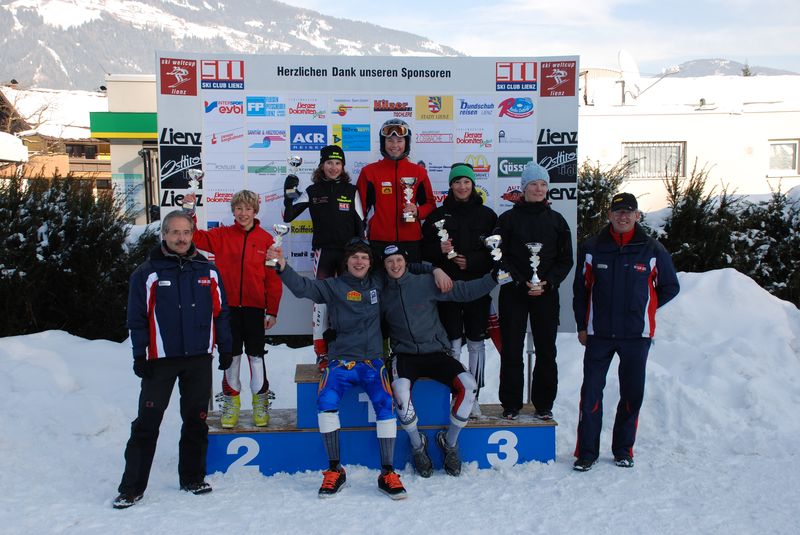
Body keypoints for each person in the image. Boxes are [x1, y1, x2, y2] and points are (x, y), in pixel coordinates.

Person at [266, 239, 407, 499]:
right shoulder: (333, 286)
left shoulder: (378, 281)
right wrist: (282, 265)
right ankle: (334, 470)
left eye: (364, 257)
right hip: (341, 362)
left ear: (370, 263)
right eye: (354, 257)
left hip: (372, 362)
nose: (359, 261)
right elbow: (302, 288)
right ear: (346, 261)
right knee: (325, 401)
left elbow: (405, 266)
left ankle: (387, 472)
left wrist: (437, 270)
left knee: (385, 403)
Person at [113, 210, 232, 509]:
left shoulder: (208, 271)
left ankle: (192, 478)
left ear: (193, 235)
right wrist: (139, 354)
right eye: (175, 232)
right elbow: (136, 318)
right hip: (160, 361)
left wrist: (226, 348)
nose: (181, 238)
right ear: (164, 235)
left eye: (186, 232)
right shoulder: (147, 272)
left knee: (196, 420)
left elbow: (221, 313)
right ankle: (131, 488)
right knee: (147, 423)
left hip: (198, 359)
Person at [572, 193, 680, 471]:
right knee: (591, 393)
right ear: (609, 215)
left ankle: (623, 450)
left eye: (628, 212)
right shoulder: (592, 247)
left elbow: (670, 286)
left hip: (636, 336)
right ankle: (587, 453)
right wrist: (582, 325)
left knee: (632, 394)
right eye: (618, 211)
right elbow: (580, 290)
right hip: (599, 334)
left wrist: (644, 307)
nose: (623, 216)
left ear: (637, 216)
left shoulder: (652, 249)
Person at [381, 243, 498, 477]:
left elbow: (464, 291)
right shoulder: (380, 291)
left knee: (469, 386)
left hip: (436, 353)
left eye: (399, 260)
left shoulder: (424, 283)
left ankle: (449, 443)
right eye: (389, 262)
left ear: (406, 263)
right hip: (405, 356)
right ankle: (418, 445)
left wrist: (493, 278)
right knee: (400, 392)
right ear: (383, 266)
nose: (395, 265)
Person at [183, 190, 282, 428]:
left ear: (255, 211)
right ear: (233, 210)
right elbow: (195, 236)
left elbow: (273, 279)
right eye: (238, 208)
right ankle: (231, 402)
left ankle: (260, 402)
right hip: (227, 310)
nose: (243, 213)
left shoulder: (267, 240)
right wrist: (189, 212)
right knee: (232, 357)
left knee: (256, 357)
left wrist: (272, 310)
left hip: (255, 309)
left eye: (248, 208)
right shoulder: (222, 235)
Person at [497, 162, 574, 420]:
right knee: (511, 349)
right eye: (533, 184)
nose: (538, 189)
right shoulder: (507, 220)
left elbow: (565, 260)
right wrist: (521, 282)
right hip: (514, 293)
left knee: (546, 350)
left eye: (543, 184)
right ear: (523, 188)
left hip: (546, 294)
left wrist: (547, 283)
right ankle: (511, 404)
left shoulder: (557, 221)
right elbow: (499, 258)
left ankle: (543, 404)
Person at [421, 162, 497, 417]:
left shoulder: (488, 216)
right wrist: (438, 251)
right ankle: (454, 394)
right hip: (447, 288)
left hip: (477, 287)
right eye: (457, 182)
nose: (462, 186)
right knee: (452, 344)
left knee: (476, 343)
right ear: (450, 186)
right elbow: (423, 251)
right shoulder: (437, 216)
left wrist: (473, 261)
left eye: (466, 182)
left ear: (473, 185)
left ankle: (473, 396)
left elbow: (496, 253)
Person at [283, 145, 365, 370]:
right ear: (321, 165)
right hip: (324, 253)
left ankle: (351, 348)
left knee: (351, 299)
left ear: (343, 166)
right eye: (329, 163)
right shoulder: (312, 191)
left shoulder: (351, 190)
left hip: (349, 255)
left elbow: (361, 224)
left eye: (338, 163)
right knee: (321, 302)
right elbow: (288, 216)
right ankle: (322, 353)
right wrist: (288, 194)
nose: (333, 167)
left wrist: (361, 254)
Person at [356, 118, 435, 263]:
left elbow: (430, 205)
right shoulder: (369, 172)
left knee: (411, 277)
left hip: (411, 241)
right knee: (379, 278)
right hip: (379, 240)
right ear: (383, 143)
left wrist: (418, 211)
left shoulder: (419, 172)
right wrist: (360, 238)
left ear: (406, 143)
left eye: (399, 141)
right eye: (390, 140)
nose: (394, 145)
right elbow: (359, 210)